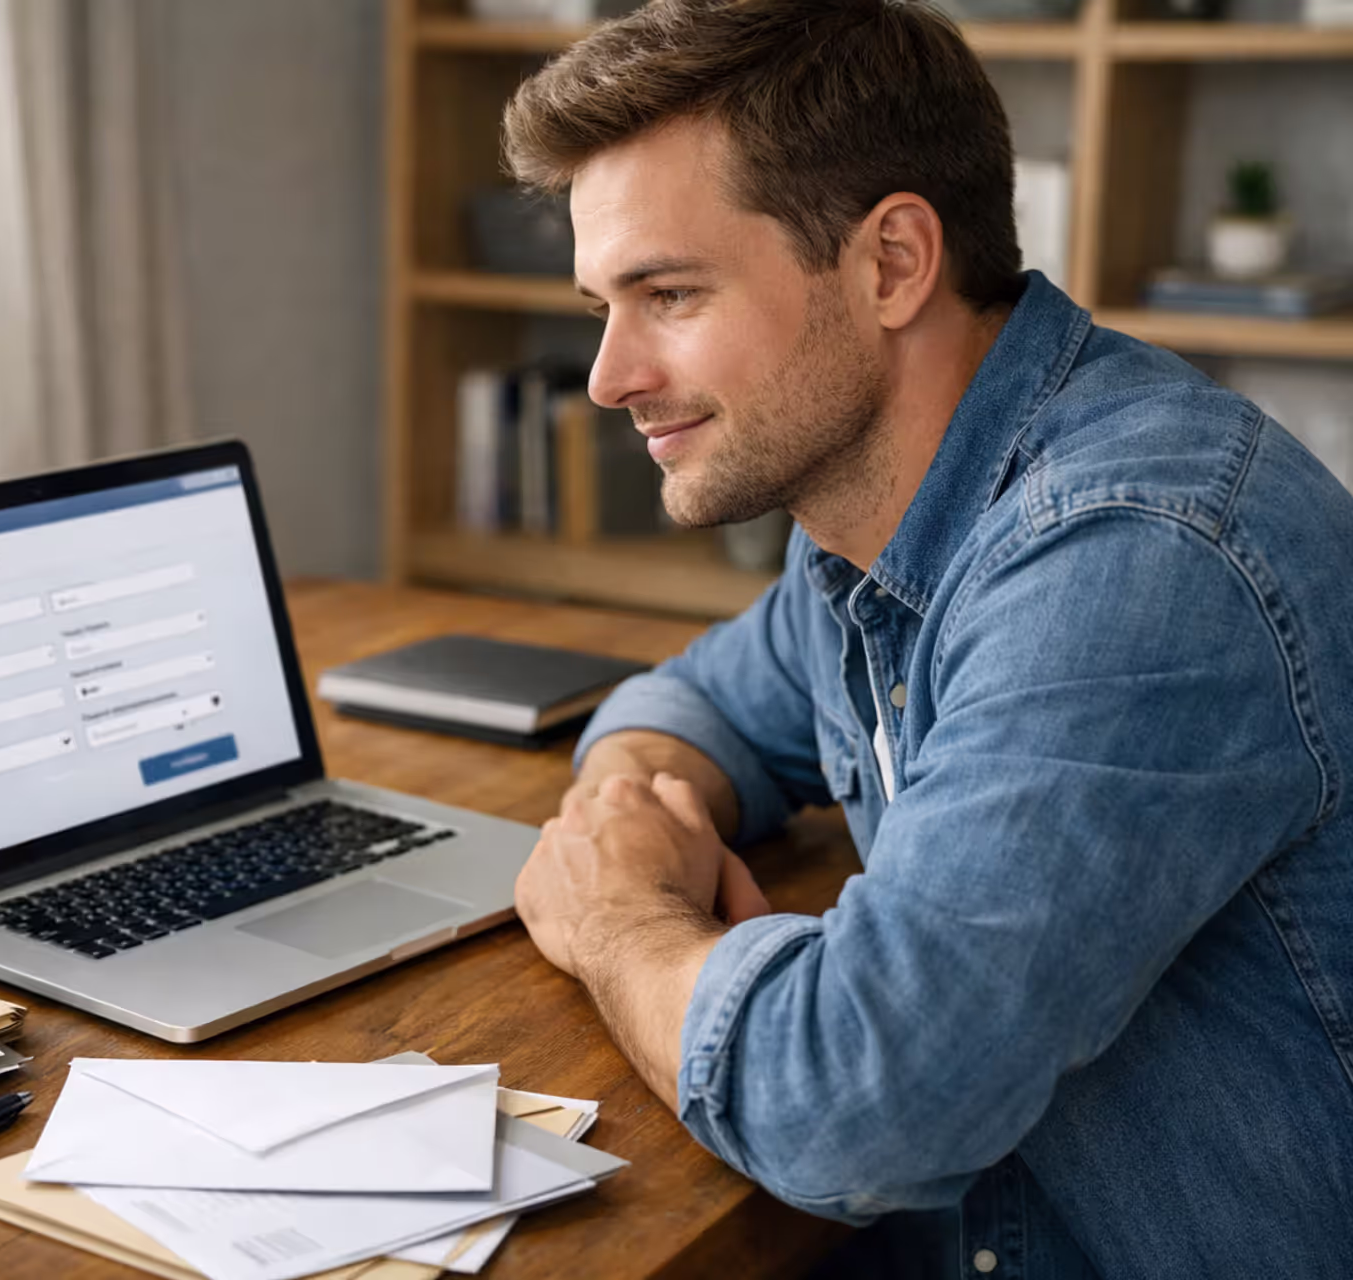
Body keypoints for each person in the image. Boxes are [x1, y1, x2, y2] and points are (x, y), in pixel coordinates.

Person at [501, 0, 1353, 1275]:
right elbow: (703, 703)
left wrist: (626, 921)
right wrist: (631, 817)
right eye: (602, 304)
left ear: (893, 262)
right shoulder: (872, 513)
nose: (609, 375)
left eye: (669, 292)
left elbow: (856, 1106)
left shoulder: (1131, 558)